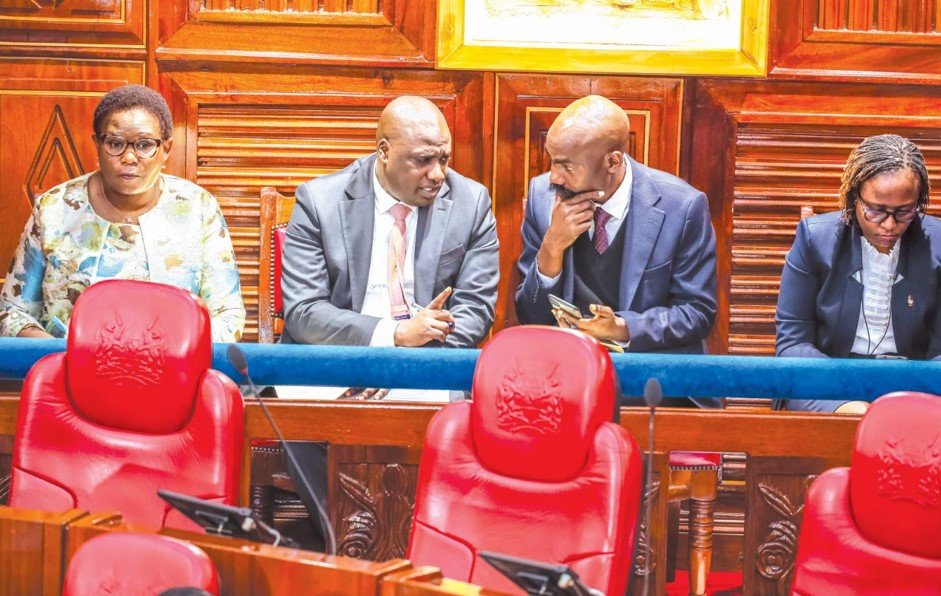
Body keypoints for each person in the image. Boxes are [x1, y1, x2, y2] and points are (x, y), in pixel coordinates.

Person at [280, 95, 499, 400]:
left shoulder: (471, 203)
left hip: (427, 360)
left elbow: (475, 310)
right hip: (335, 356)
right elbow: (304, 312)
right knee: (305, 411)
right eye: (423, 160)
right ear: (384, 151)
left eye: (444, 159)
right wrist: (393, 336)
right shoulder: (319, 202)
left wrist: (404, 365)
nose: (437, 174)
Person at [514, 95, 718, 405]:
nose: (554, 176)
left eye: (566, 165)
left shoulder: (683, 206)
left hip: (652, 381)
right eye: (552, 161)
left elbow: (697, 313)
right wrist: (550, 249)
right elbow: (530, 315)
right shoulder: (543, 198)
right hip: (566, 384)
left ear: (613, 161)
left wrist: (623, 328)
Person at [0, 84, 245, 342]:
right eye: (115, 143)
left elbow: (227, 316)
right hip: (72, 372)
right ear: (97, 144)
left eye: (144, 145)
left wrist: (174, 353)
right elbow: (12, 313)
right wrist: (65, 354)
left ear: (166, 149)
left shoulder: (197, 208)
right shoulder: (54, 209)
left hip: (172, 373)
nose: (129, 157)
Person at [776, 134, 940, 413]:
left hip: (916, 389)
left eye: (904, 212)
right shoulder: (815, 239)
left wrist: (907, 397)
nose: (889, 225)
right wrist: (846, 397)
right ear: (854, 197)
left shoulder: (937, 245)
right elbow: (792, 342)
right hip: (828, 385)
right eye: (875, 211)